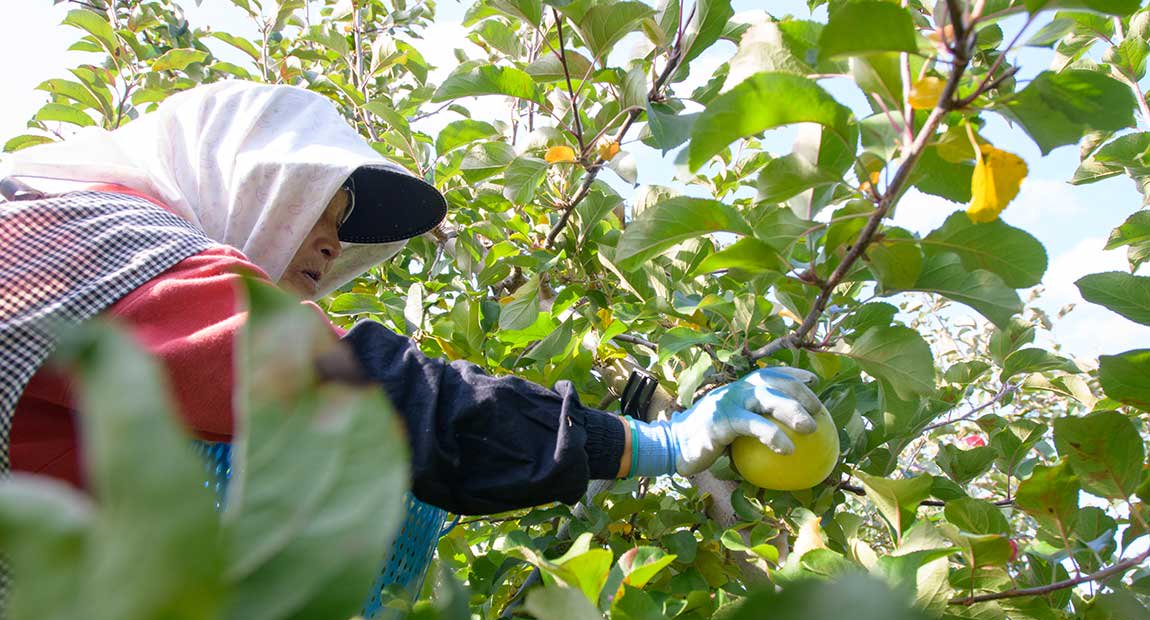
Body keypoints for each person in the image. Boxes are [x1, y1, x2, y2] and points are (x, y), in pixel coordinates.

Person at [1, 80, 824, 517]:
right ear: (228, 175)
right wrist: (657, 445)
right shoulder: (85, 238)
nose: (328, 245)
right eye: (308, 210)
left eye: (338, 230)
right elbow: (382, 399)